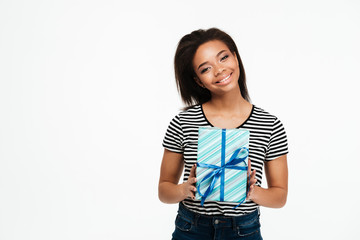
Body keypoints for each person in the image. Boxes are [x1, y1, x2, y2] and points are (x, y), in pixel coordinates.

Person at [158, 28, 288, 240]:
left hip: (243, 230)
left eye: (224, 57)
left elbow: (280, 196)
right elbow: (164, 191)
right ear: (198, 80)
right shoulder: (183, 122)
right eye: (205, 68)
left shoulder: (270, 124)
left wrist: (252, 191)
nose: (219, 70)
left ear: (235, 57)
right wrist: (184, 189)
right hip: (191, 228)